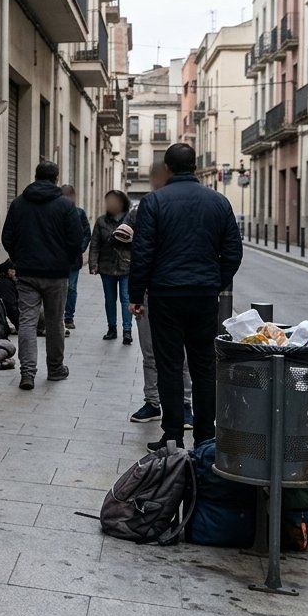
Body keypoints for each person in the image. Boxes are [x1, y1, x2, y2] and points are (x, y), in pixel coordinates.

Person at [130, 144, 241, 449]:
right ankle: (205, 435)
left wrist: (136, 294)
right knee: (204, 364)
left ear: (167, 168)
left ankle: (173, 434)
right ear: (195, 166)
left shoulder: (154, 202)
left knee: (169, 365)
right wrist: (216, 281)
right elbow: (233, 251)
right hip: (203, 295)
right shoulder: (219, 202)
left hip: (165, 294)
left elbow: (143, 253)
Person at [1, 161, 84, 391]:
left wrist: (18, 260)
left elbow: (7, 237)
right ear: (56, 179)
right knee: (55, 321)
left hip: (27, 272)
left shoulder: (19, 203)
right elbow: (75, 241)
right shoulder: (66, 206)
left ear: (35, 176)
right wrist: (66, 262)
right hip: (56, 274)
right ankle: (55, 368)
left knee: (27, 322)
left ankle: (27, 372)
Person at [126, 164, 193, 425]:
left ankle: (182, 406)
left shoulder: (194, 207)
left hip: (176, 291)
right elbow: (135, 249)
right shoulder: (143, 208)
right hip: (154, 291)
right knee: (154, 351)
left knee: (176, 352)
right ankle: (155, 403)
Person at [88, 189, 133, 344]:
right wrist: (93, 264)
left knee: (126, 298)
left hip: (126, 266)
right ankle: (112, 329)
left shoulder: (131, 220)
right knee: (110, 299)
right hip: (106, 267)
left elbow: (140, 242)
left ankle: (127, 331)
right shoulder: (101, 221)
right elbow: (95, 244)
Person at [60, 184, 91, 332]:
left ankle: (69, 317)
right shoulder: (56, 211)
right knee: (58, 288)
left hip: (73, 259)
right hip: (57, 258)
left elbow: (87, 233)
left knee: (71, 288)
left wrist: (80, 249)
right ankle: (58, 316)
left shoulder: (79, 213)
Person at [0, 259, 21, 332]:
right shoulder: (6, 284)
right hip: (11, 320)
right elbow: (10, 307)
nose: (15, 272)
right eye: (13, 270)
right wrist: (19, 325)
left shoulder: (6, 282)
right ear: (9, 271)